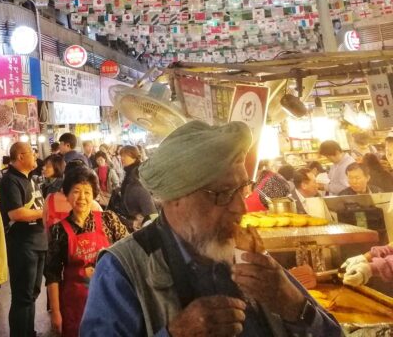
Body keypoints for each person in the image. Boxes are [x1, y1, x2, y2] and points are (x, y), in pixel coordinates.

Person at [81, 120, 341, 337]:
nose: (241, 209)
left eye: (242, 189)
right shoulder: (123, 270)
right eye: (222, 193)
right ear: (175, 199)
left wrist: (294, 306)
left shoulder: (248, 257)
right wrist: (174, 334)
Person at [45, 167, 127, 337]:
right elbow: (52, 274)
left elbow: (128, 253)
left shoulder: (109, 219)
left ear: (94, 195)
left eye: (87, 192)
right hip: (75, 305)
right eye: (76, 191)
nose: (82, 198)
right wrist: (55, 312)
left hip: (111, 299)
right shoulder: (58, 230)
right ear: (67, 195)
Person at [0, 141, 46, 337]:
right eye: (32, 153)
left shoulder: (30, 179)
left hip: (38, 241)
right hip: (23, 244)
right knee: (22, 296)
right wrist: (47, 212)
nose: (35, 156)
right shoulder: (10, 180)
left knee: (32, 294)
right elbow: (16, 214)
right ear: (20, 157)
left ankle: (29, 331)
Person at [113, 145, 156, 231]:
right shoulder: (128, 172)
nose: (122, 158)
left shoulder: (138, 173)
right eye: (121, 156)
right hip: (133, 217)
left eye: (124, 156)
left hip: (141, 218)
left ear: (133, 157)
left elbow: (144, 195)